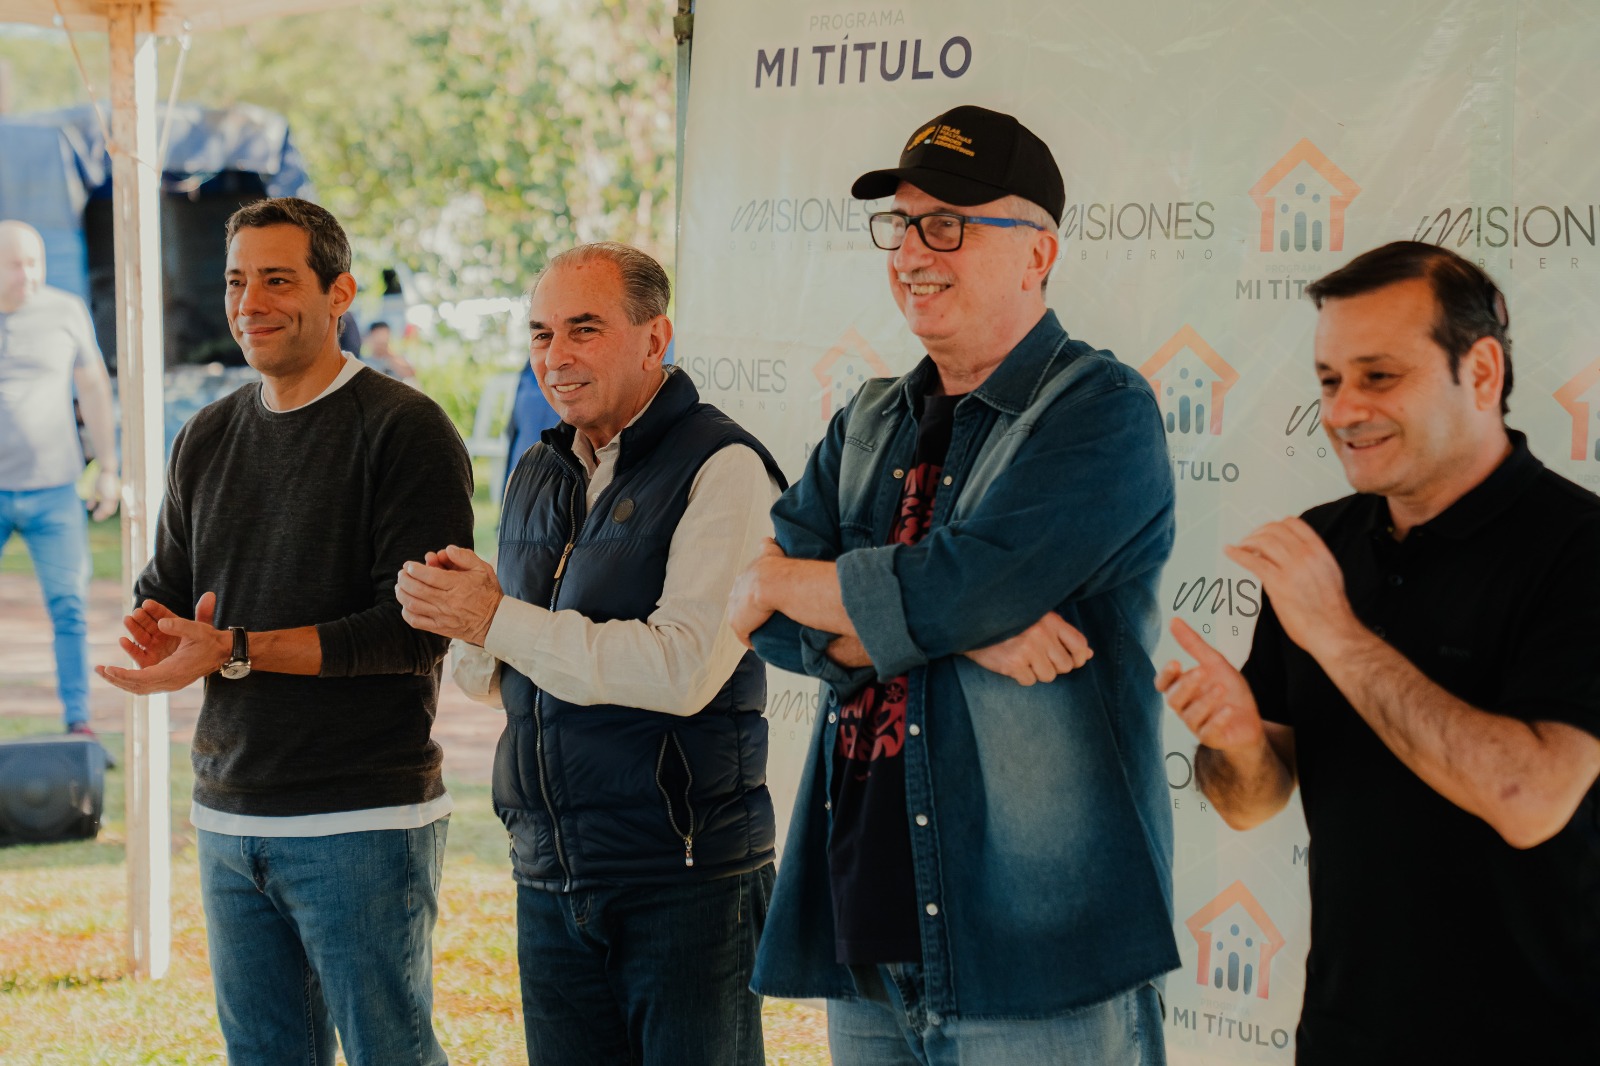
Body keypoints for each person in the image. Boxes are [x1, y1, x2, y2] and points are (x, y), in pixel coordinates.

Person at [728, 105, 1179, 1062]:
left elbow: (953, 587)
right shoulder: (869, 419)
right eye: (901, 223)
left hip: (1036, 952)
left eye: (948, 224)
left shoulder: (1101, 408)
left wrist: (802, 584)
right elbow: (764, 621)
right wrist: (963, 625)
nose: (911, 252)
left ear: (1038, 253)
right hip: (865, 932)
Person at [1157, 241, 1600, 1065]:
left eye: (1380, 376)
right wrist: (1236, 741)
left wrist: (1337, 633)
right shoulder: (1321, 543)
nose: (1342, 410)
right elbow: (1251, 802)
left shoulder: (1578, 548)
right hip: (1343, 1039)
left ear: (1481, 372)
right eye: (1330, 380)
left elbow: (1530, 799)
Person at [96, 197, 473, 1066]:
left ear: (339, 292)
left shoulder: (405, 429)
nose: (250, 303)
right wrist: (158, 633)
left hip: (361, 818)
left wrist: (234, 649)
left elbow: (415, 632)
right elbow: (169, 590)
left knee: (392, 1053)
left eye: (277, 279)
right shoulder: (206, 434)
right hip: (228, 813)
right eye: (237, 282)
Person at [395, 242, 786, 1066]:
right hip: (549, 872)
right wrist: (465, 618)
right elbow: (512, 680)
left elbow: (683, 669)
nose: (556, 356)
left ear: (655, 339)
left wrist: (497, 620)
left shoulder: (726, 467)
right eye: (541, 334)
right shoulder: (538, 469)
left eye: (584, 329)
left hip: (683, 880)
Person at [0, 220, 118, 745]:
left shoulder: (65, 311)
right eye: (14, 264)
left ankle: (79, 724)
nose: (27, 274)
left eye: (34, 263)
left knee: (70, 607)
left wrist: (109, 467)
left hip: (54, 490)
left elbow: (92, 387)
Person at [361, 319, 418, 385]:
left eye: (384, 335)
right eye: (378, 335)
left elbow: (410, 374)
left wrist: (388, 355)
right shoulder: (363, 361)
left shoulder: (398, 358)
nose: (381, 340)